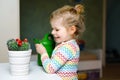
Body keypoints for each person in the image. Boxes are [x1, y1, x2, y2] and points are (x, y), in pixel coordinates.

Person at [35, 4, 85, 80]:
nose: (52, 32)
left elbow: (50, 69)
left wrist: (43, 53)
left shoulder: (67, 48)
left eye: (57, 29)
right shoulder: (70, 45)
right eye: (52, 28)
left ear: (71, 29)